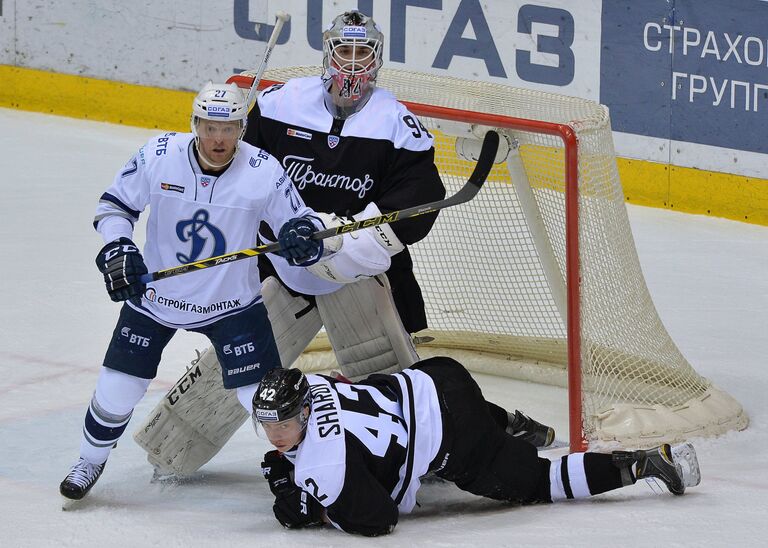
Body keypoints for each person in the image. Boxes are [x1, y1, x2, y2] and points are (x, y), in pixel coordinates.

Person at [134, 9, 556, 479]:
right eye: (344, 51)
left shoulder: (398, 124)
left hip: (355, 275)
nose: (352, 65)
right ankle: (169, 450)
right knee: (239, 364)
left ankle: (491, 430)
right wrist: (272, 228)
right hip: (279, 267)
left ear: (376, 60)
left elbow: (419, 201)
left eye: (363, 53)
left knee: (398, 388)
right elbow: (237, 170)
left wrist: (347, 243)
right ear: (327, 55)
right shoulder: (279, 105)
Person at [59, 81, 330, 501]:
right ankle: (89, 461)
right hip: (155, 300)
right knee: (117, 388)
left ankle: (316, 470)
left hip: (233, 305)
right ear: (194, 123)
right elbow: (114, 206)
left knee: (264, 399)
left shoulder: (263, 170)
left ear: (242, 127)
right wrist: (118, 246)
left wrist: (303, 236)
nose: (218, 139)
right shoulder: (160, 154)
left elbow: (305, 222)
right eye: (209, 127)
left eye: (229, 128)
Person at [252, 358, 702, 536]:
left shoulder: (321, 466)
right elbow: (344, 384)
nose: (276, 436)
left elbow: (380, 521)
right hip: (438, 376)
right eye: (269, 426)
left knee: (543, 482)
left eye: (285, 424)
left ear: (306, 412)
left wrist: (319, 509)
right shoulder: (307, 383)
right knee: (411, 403)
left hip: (457, 439)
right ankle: (512, 424)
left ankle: (647, 465)